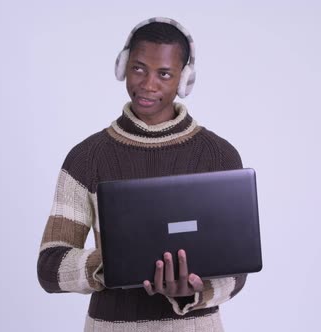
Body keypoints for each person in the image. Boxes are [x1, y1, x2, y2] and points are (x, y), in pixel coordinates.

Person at [37, 17, 247, 332]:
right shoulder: (87, 158)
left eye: (164, 74)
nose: (148, 84)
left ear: (184, 78)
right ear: (123, 67)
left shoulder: (219, 156)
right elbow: (51, 267)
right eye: (138, 68)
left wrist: (192, 289)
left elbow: (237, 272)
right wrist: (115, 266)